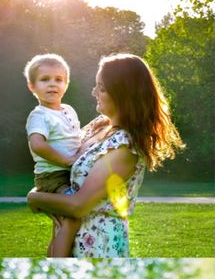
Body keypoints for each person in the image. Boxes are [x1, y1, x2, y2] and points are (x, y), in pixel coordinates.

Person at [27, 54, 183, 257]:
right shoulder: (98, 125)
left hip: (98, 246)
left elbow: (78, 205)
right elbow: (62, 165)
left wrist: (34, 198)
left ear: (122, 94)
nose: (93, 92)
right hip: (69, 238)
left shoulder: (125, 147)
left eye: (101, 88)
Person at [23, 53, 82, 257]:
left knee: (60, 226)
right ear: (32, 86)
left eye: (58, 79)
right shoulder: (39, 115)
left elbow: (75, 139)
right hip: (53, 178)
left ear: (66, 84)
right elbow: (37, 145)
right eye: (45, 79)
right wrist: (67, 160)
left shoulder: (68, 110)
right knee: (74, 216)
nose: (52, 85)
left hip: (68, 175)